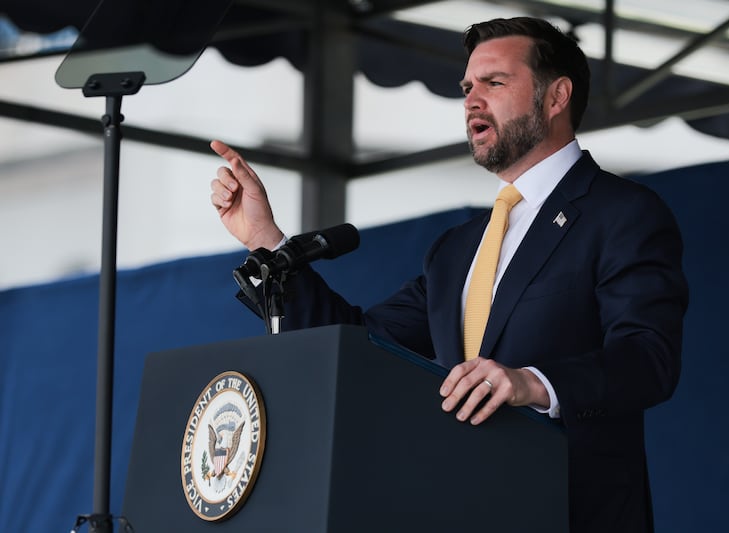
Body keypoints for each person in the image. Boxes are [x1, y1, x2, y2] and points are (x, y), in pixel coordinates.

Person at [210, 16, 688, 533]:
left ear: (556, 97)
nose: (471, 100)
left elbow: (647, 358)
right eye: (466, 87)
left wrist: (530, 383)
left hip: (573, 513)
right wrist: (265, 239)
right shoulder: (456, 250)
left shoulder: (622, 213)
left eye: (494, 83)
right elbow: (357, 347)